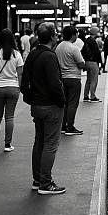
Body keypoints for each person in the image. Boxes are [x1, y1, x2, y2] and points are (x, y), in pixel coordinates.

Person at [21, 23, 66, 195]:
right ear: (53, 37)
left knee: (39, 141)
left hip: (37, 105)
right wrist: (61, 102)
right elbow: (55, 84)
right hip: (50, 106)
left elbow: (24, 81)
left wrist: (31, 98)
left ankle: (37, 179)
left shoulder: (33, 54)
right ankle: (46, 183)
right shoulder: (49, 56)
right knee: (50, 144)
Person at [0, 29, 24, 152]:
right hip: (13, 87)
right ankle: (7, 145)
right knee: (9, 117)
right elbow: (20, 74)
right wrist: (20, 87)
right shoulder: (16, 54)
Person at [55, 25, 86, 136]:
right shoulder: (74, 48)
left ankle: (63, 126)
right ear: (73, 35)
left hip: (62, 79)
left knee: (65, 103)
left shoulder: (58, 47)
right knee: (73, 103)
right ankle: (70, 127)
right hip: (74, 79)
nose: (77, 36)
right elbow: (81, 64)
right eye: (76, 34)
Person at [82, 27, 103, 102]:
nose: (99, 32)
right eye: (98, 31)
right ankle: (93, 96)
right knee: (94, 79)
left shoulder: (87, 40)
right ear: (95, 32)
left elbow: (83, 52)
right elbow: (96, 53)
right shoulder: (93, 41)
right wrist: (100, 63)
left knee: (88, 80)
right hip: (93, 62)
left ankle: (86, 96)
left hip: (87, 62)